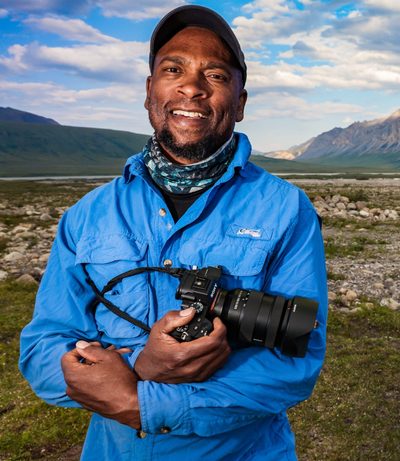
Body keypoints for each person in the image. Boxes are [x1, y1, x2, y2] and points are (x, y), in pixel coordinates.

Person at [19, 5, 328, 461]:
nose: (192, 87)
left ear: (240, 103)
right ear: (150, 93)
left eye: (217, 76)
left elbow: (296, 361)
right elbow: (43, 350)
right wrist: (143, 366)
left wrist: (137, 401)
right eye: (173, 69)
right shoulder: (88, 215)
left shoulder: (285, 209)